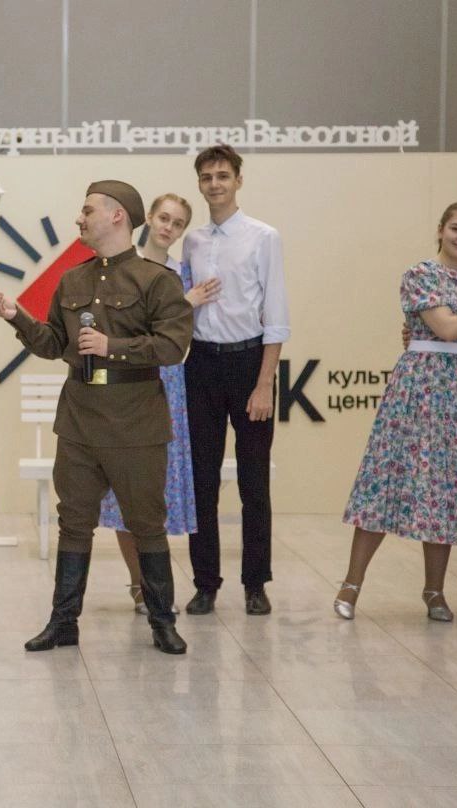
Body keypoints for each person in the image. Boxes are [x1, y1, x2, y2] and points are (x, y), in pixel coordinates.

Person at [0, 180, 194, 655]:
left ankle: (162, 623)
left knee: (146, 524)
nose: (79, 219)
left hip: (136, 423)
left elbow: (173, 347)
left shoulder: (156, 280)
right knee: (74, 522)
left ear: (117, 215)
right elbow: (53, 345)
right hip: (80, 420)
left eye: (87, 211)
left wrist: (113, 347)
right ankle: (63, 622)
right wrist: (16, 315)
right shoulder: (72, 281)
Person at [334, 202, 457, 621]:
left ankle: (434, 591)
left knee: (444, 493)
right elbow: (447, 328)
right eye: (456, 228)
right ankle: (351, 584)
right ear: (440, 230)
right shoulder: (421, 273)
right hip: (419, 389)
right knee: (384, 484)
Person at [180, 144, 288, 618]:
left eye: (223, 175)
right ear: (199, 184)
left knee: (253, 482)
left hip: (249, 364)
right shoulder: (192, 241)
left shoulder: (264, 237)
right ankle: (205, 583)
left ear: (238, 180)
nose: (215, 184)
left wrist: (264, 385)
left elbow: (276, 316)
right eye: (207, 177)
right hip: (202, 364)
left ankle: (255, 583)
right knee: (201, 481)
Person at [98, 193, 196, 614]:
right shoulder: (125, 265)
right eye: (163, 218)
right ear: (149, 219)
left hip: (170, 385)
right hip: (127, 382)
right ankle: (139, 583)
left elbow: (180, 335)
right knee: (123, 487)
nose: (168, 227)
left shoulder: (183, 274)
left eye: (177, 223)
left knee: (156, 488)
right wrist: (187, 304)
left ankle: (156, 585)